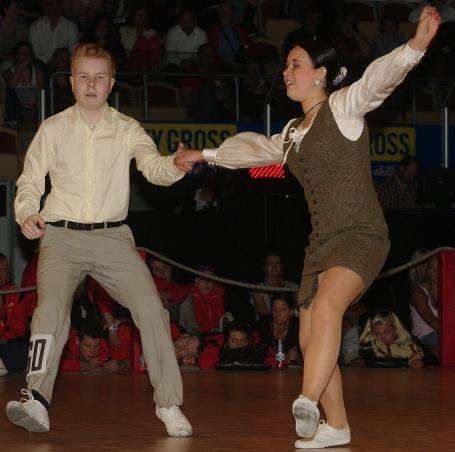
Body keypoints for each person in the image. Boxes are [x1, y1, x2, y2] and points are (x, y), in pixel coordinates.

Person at [175, 6, 440, 448]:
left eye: (295, 64)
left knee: (327, 309)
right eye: (285, 65)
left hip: (361, 234)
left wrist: (416, 46)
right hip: (320, 243)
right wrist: (202, 156)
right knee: (310, 328)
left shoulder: (344, 107)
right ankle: (336, 426)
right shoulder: (294, 132)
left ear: (321, 73)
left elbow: (377, 80)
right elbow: (256, 149)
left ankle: (307, 399)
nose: (286, 71)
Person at [6, 42, 193, 437]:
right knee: (50, 311)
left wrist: (174, 165)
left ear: (112, 85)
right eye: (84, 76)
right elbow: (29, 180)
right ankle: (36, 401)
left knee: (151, 308)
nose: (92, 84)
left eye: (100, 77)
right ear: (72, 82)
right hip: (60, 237)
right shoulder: (52, 128)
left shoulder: (127, 129)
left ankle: (168, 404)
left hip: (113, 239)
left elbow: (153, 166)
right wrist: (27, 212)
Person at [60, 319, 131, 373]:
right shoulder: (64, 341)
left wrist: (121, 364)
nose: (92, 351)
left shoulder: (103, 347)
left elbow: (136, 360)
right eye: (87, 346)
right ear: (77, 340)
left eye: (96, 346)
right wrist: (88, 366)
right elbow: (53, 365)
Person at [359, 311, 424, 368]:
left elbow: (429, 358)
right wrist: (406, 362)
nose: (382, 336)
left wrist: (418, 361)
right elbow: (371, 362)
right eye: (378, 333)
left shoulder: (410, 342)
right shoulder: (370, 342)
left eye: (387, 332)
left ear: (395, 329)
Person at [0, 253, 29, 377]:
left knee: (24, 349)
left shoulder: (15, 294)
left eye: (3, 270)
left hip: (7, 345)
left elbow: (20, 329)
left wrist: (4, 338)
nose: (0, 274)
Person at [29, 0, 79, 65]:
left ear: (60, 5)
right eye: (47, 4)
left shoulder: (71, 26)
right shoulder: (36, 27)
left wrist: (62, 62)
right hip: (42, 65)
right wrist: (49, 62)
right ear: (44, 6)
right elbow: (35, 52)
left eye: (53, 3)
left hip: (64, 64)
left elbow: (73, 51)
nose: (50, 6)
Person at [250, 252, 298, 319]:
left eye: (277, 263)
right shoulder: (257, 290)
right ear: (264, 268)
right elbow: (266, 318)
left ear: (282, 267)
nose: (274, 267)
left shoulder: (294, 288)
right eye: (270, 264)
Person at [256, 293, 300, 364]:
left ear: (291, 311)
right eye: (274, 310)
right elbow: (256, 350)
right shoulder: (264, 323)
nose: (278, 314)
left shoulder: (297, 326)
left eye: (283, 310)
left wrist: (297, 354)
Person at [409, 250, 439, 350]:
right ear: (427, 271)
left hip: (440, 334)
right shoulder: (419, 292)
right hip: (424, 337)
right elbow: (432, 322)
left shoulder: (448, 291)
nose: (436, 271)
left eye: (439, 267)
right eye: (431, 268)